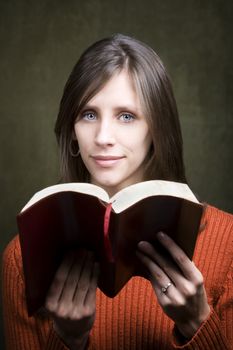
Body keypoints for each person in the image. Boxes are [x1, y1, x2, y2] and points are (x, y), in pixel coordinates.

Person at [2, 34, 232, 350]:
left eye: (126, 116)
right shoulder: (20, 258)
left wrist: (196, 322)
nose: (103, 136)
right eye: (88, 114)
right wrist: (69, 340)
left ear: (157, 129)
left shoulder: (228, 244)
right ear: (72, 130)